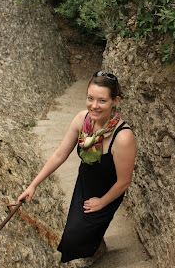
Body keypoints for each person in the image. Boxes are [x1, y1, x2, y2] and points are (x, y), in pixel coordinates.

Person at [17, 71, 137, 265]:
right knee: (77, 233)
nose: (94, 106)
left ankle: (95, 247)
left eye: (102, 100)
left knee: (74, 238)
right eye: (90, 98)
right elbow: (59, 154)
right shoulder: (83, 119)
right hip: (85, 183)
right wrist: (33, 185)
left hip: (109, 191)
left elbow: (125, 181)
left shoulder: (123, 137)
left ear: (115, 101)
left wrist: (102, 202)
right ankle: (97, 245)